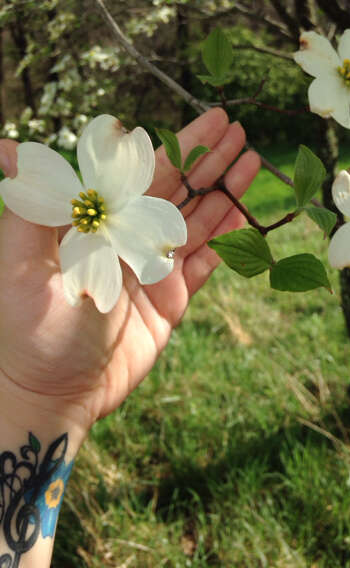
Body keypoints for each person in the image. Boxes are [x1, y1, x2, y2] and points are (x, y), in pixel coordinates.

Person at [0, 108, 260, 567]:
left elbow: (152, 240)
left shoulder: (102, 211)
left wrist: (33, 400)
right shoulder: (80, 230)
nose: (83, 213)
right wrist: (34, 396)